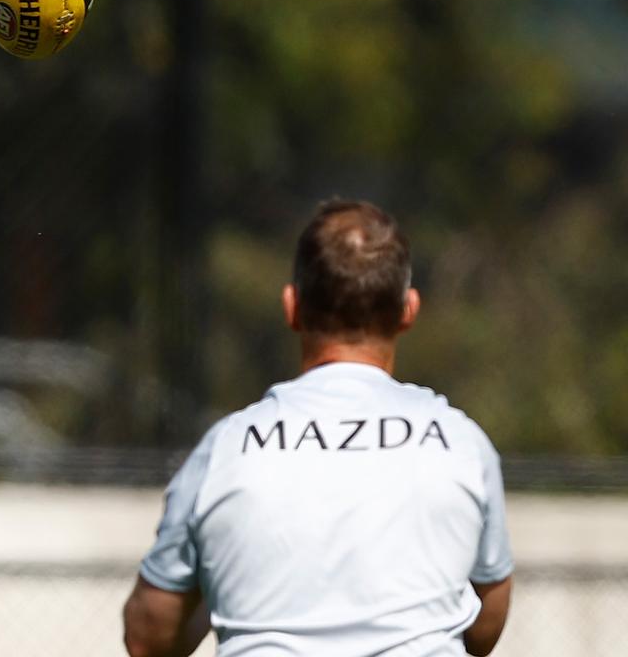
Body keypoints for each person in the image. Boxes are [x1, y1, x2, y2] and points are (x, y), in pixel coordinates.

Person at [123, 200, 513, 657]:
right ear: (408, 309)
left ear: (292, 307)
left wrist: (220, 589)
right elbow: (485, 623)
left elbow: (148, 636)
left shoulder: (226, 449)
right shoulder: (460, 444)